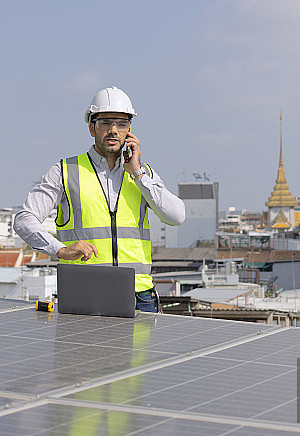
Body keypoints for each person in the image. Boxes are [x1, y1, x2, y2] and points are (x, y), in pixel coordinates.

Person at [13, 86, 185, 312]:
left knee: (142, 350)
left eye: (121, 124)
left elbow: (176, 216)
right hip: (85, 293)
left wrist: (138, 173)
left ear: (130, 131)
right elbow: (24, 219)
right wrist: (60, 249)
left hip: (139, 295)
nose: (114, 130)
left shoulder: (143, 175)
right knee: (85, 350)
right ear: (92, 128)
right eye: (106, 123)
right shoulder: (65, 171)